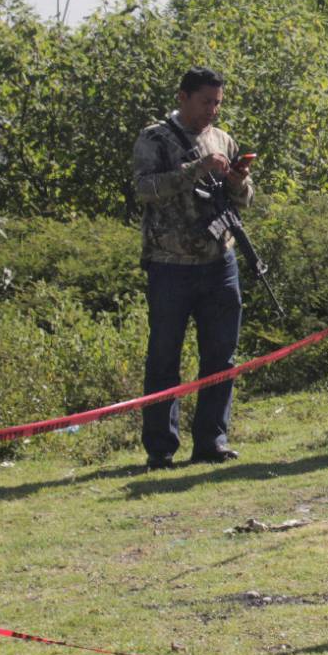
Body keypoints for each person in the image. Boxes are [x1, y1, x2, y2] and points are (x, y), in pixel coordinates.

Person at [133, 67, 253, 468]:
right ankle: (161, 449)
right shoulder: (155, 138)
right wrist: (195, 170)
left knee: (221, 355)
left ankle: (211, 441)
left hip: (220, 261)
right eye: (206, 102)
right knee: (164, 357)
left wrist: (237, 180)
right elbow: (145, 188)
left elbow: (244, 199)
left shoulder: (223, 139)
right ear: (183, 97)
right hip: (170, 264)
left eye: (218, 103)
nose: (212, 111)